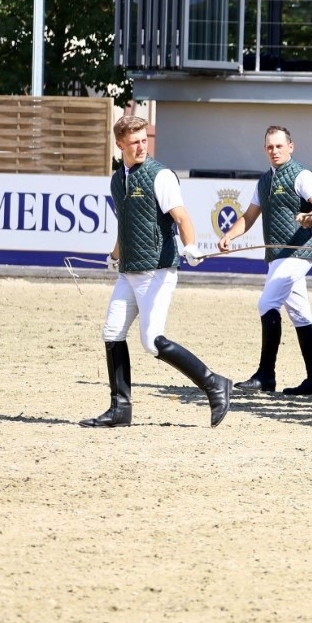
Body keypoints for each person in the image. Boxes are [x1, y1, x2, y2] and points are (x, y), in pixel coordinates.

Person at [82, 116, 232, 429]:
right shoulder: (117, 180)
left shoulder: (159, 175)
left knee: (152, 342)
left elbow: (182, 217)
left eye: (144, 140)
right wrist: (114, 255)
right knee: (112, 333)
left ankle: (215, 383)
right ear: (120, 144)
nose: (140, 146)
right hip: (128, 271)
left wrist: (190, 246)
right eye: (134, 141)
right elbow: (126, 224)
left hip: (158, 270)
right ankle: (120, 409)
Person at [221, 126, 312, 396]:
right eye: (270, 147)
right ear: (265, 149)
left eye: (279, 146)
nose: (275, 151)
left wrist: (310, 217)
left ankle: (265, 376)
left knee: (267, 303)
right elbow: (249, 216)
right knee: (301, 315)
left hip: (297, 253)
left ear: (290, 147)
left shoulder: (302, 175)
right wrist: (229, 235)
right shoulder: (264, 181)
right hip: (277, 257)